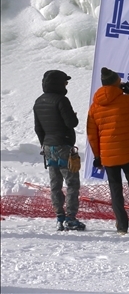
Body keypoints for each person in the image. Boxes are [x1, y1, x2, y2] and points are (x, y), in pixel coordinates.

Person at [86, 68, 129, 235]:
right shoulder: (126, 100)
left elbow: (91, 134)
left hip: (108, 156)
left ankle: (121, 226)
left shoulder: (94, 107)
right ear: (117, 83)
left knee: (115, 190)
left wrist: (97, 156)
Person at [33, 70, 85, 231]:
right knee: (72, 183)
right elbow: (71, 123)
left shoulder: (38, 102)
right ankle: (71, 218)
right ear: (58, 83)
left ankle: (59, 217)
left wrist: (45, 145)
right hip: (64, 145)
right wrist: (73, 116)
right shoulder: (62, 100)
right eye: (65, 82)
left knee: (55, 184)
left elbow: (38, 128)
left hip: (48, 147)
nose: (66, 85)